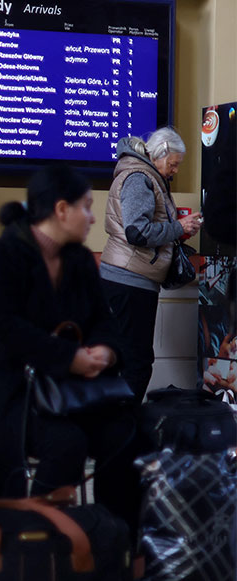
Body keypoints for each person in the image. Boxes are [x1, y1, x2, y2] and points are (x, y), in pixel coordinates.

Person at [0, 166, 140, 537]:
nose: (92, 217)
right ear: (61, 210)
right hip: (4, 392)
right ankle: (31, 537)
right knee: (66, 444)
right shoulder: (3, 255)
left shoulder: (79, 261)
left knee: (128, 433)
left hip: (63, 390)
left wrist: (106, 352)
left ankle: (114, 537)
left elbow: (104, 320)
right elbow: (2, 326)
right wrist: (69, 358)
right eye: (86, 206)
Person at [100, 128, 203, 402]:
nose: (175, 171)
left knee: (125, 359)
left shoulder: (143, 175)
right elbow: (138, 232)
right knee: (137, 363)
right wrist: (178, 227)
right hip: (129, 281)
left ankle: (115, 423)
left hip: (128, 279)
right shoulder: (139, 178)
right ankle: (123, 425)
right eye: (174, 164)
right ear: (160, 154)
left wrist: (177, 229)